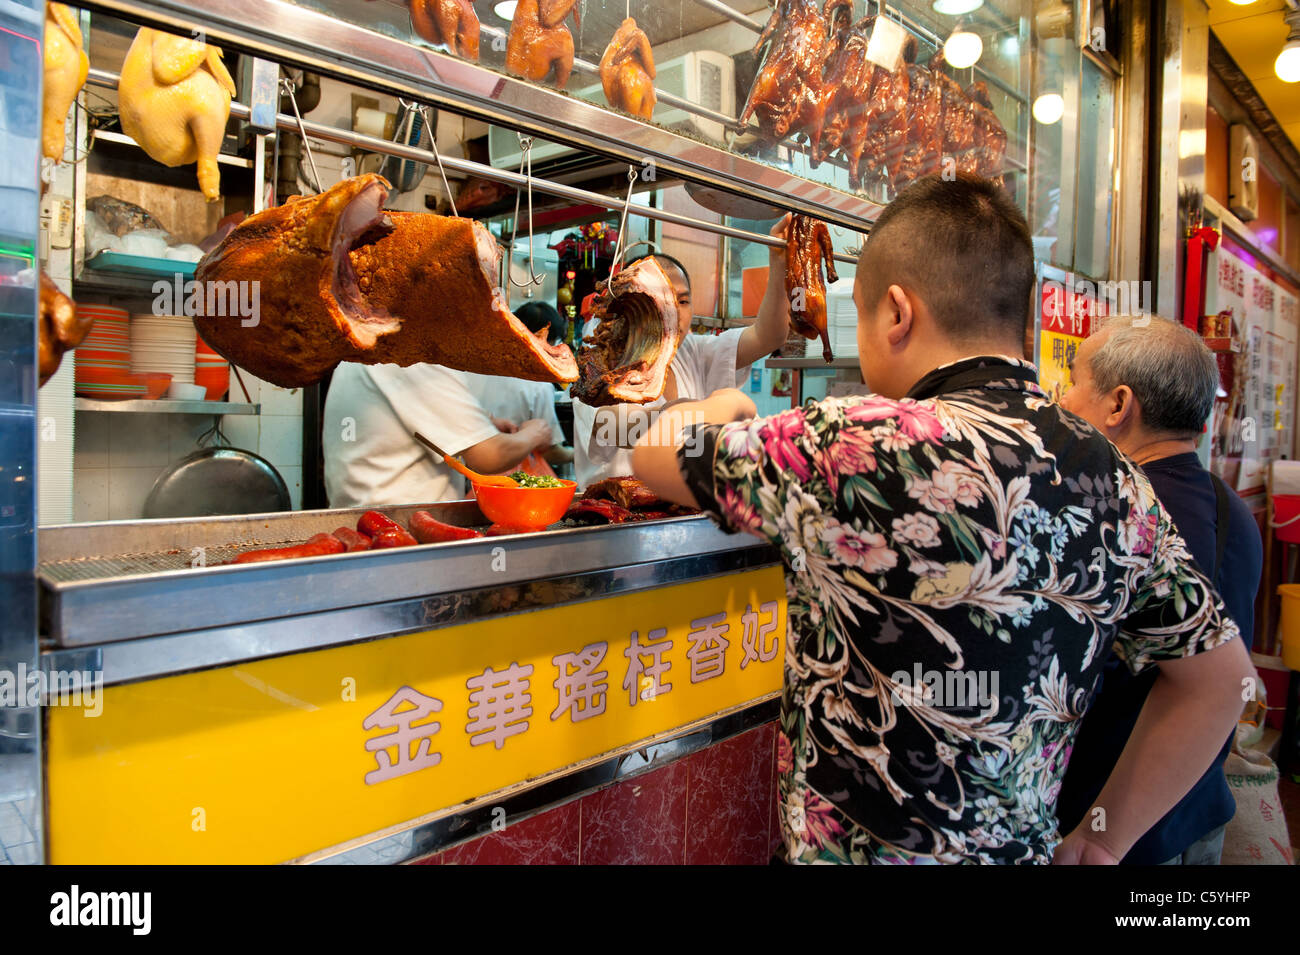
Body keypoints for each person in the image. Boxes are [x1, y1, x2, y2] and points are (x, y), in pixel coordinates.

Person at [630, 174, 1255, 864]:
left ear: (896, 313)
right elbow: (1223, 679)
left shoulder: (854, 442)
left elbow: (655, 456)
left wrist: (722, 405)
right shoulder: (1115, 478)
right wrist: (1104, 837)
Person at [1056, 316, 1263, 865]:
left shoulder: (1117, 516)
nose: (1062, 399)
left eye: (1073, 381)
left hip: (1111, 830)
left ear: (1118, 405)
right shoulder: (1233, 509)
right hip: (1196, 813)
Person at [573, 223, 794, 486]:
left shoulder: (694, 351)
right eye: (657, 299)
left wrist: (779, 261)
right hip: (618, 515)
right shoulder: (601, 365)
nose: (673, 313)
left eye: (683, 301)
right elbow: (611, 427)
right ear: (629, 304)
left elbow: (769, 336)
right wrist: (700, 414)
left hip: (687, 512)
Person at [323, 362, 554, 507]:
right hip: (399, 533)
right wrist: (535, 433)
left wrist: (484, 424)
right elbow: (489, 456)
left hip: (371, 522)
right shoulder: (409, 357)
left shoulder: (369, 351)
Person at [465, 301, 574, 469]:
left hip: (467, 471)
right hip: (510, 478)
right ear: (543, 339)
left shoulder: (473, 368)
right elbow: (549, 450)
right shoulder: (538, 383)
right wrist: (577, 455)